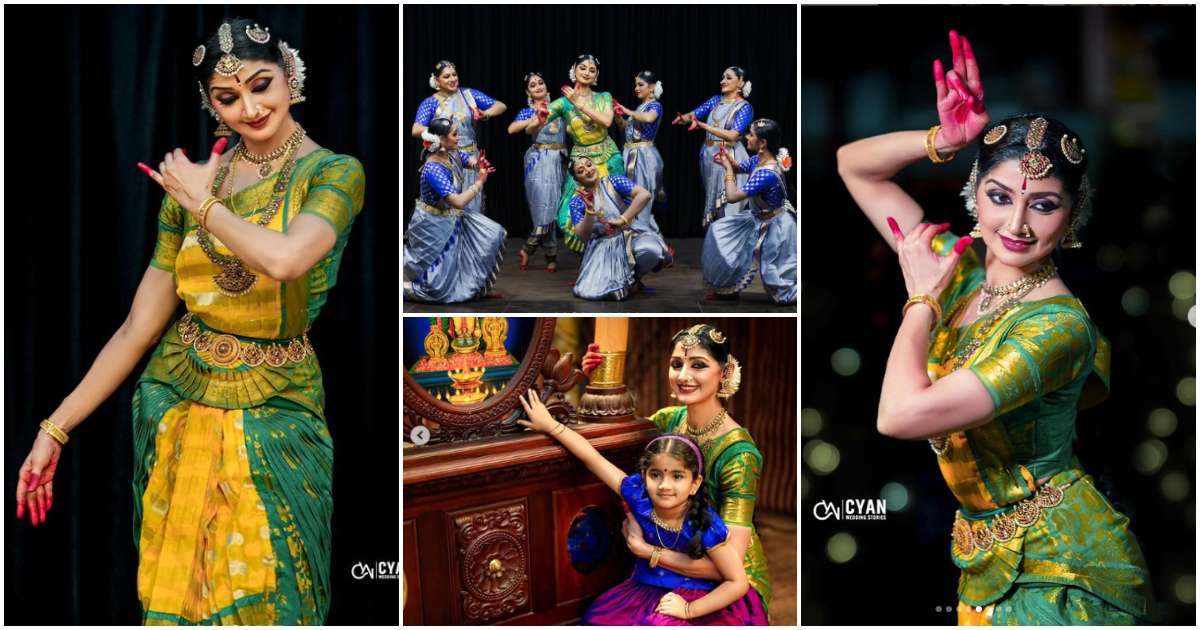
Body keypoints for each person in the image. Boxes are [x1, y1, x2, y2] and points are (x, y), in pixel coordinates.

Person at [15, 18, 365, 624]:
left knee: (271, 591)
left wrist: (203, 205)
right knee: (181, 595)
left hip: (276, 410)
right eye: (228, 98)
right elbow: (137, 327)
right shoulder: (195, 185)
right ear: (211, 103)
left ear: (291, 75)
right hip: (175, 398)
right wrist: (56, 428)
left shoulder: (333, 173)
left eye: (262, 85)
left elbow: (285, 259)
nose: (250, 108)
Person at [837, 30, 1154, 624]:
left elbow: (898, 416)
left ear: (1073, 211)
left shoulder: (1058, 328)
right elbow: (854, 168)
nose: (1015, 224)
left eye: (1043, 204)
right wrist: (944, 139)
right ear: (972, 191)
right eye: (999, 195)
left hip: (1065, 570)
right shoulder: (963, 266)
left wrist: (921, 303)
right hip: (987, 560)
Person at [516, 391, 766, 625]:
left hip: (699, 600)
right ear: (644, 476)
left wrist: (689, 610)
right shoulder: (639, 497)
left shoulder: (703, 522)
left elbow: (737, 582)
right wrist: (550, 426)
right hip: (643, 589)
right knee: (596, 618)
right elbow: (592, 458)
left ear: (695, 483)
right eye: (656, 475)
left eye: (677, 477)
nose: (665, 486)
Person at [583, 324, 772, 619]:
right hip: (665, 564)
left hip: (725, 582)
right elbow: (612, 442)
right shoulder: (669, 420)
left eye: (698, 365)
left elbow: (728, 565)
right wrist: (597, 381)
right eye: (676, 364)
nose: (683, 376)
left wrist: (650, 553)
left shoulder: (738, 455)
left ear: (723, 373)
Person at [404, 116, 505, 303]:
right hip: (433, 224)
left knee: (493, 234)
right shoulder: (433, 168)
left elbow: (468, 160)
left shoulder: (452, 153)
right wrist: (479, 183)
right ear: (441, 140)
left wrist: (478, 164)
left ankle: (473, 287)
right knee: (437, 289)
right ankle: (406, 288)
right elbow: (458, 201)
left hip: (450, 218)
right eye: (455, 134)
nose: (459, 138)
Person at [702, 119, 796, 304]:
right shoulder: (759, 160)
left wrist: (727, 170)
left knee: (777, 283)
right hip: (759, 218)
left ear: (763, 143)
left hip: (775, 226)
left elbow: (732, 196)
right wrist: (729, 160)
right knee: (719, 231)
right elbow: (740, 167)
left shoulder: (766, 173)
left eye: (751, 134)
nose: (747, 137)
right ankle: (727, 288)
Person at [545, 54, 626, 254]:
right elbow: (539, 118)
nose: (587, 72)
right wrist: (529, 121)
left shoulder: (603, 96)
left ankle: (620, 260)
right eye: (583, 68)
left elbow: (607, 121)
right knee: (569, 216)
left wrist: (579, 103)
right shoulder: (563, 103)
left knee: (612, 208)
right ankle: (589, 259)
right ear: (574, 70)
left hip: (607, 157)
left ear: (596, 75)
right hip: (581, 162)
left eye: (592, 70)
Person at [411, 60, 506, 214]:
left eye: (454, 75)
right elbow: (416, 129)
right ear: (437, 80)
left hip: (469, 157)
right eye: (446, 76)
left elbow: (500, 106)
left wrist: (486, 113)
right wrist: (442, 131)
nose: (452, 79)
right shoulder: (430, 103)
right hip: (444, 158)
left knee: (472, 204)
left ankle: (469, 236)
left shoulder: (468, 95)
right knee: (451, 203)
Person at [565, 157, 661, 300]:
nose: (588, 170)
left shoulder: (613, 182)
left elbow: (644, 195)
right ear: (577, 180)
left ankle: (634, 279)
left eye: (589, 165)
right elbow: (582, 236)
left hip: (628, 236)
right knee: (598, 291)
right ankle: (622, 283)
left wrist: (623, 219)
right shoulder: (577, 202)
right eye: (581, 171)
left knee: (651, 250)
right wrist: (590, 211)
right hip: (602, 247)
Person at [672, 67, 754, 226]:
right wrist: (685, 118)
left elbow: (733, 135)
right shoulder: (716, 100)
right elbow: (695, 113)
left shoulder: (744, 107)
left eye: (728, 78)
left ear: (740, 83)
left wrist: (703, 126)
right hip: (709, 154)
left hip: (729, 155)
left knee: (727, 201)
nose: (723, 81)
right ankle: (715, 238)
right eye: (723, 77)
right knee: (712, 198)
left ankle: (728, 239)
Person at [614, 70, 673, 273]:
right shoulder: (639, 107)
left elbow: (648, 119)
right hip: (630, 154)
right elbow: (626, 129)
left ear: (651, 87)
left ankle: (655, 248)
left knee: (643, 201)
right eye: (636, 84)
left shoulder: (654, 105)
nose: (636, 88)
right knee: (632, 200)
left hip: (643, 156)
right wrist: (617, 115)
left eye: (640, 85)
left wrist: (627, 111)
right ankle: (650, 244)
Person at [507, 71, 566, 273]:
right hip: (539, 160)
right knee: (543, 206)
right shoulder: (527, 112)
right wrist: (536, 118)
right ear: (528, 92)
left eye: (541, 82)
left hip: (559, 160)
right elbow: (513, 129)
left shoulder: (559, 107)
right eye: (533, 85)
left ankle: (528, 248)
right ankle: (550, 255)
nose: (538, 86)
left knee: (553, 206)